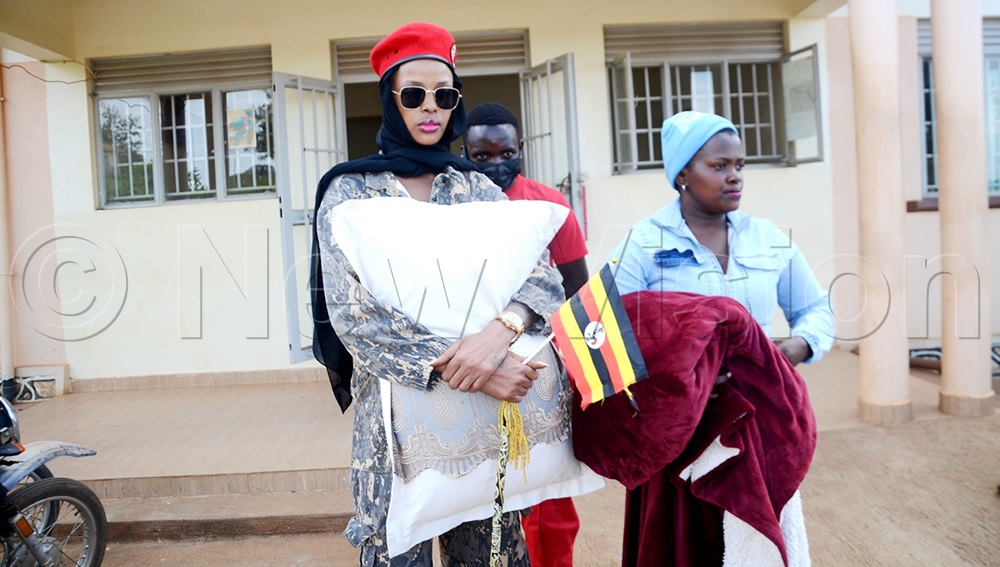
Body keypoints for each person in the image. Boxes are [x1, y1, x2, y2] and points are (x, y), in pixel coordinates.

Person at [310, 22, 569, 566]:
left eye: (444, 96)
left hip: (482, 424)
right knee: (394, 553)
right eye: (414, 95)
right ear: (390, 100)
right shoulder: (351, 191)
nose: (431, 108)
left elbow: (543, 277)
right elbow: (357, 319)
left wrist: (501, 333)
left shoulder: (474, 187)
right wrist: (473, 367)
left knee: (491, 556)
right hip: (396, 426)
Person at [604, 110, 834, 565]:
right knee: (686, 544)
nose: (735, 177)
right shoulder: (645, 243)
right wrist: (670, 377)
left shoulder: (766, 239)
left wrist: (796, 346)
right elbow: (606, 329)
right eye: (719, 166)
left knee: (756, 542)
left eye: (739, 166)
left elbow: (816, 309)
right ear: (683, 174)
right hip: (682, 434)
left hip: (758, 423)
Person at [462, 102, 587, 567]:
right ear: (464, 152)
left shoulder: (550, 206)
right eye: (482, 156)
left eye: (506, 153)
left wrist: (589, 374)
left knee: (549, 498)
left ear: (522, 150)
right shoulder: (451, 207)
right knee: (481, 493)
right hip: (472, 366)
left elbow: (579, 291)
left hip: (542, 368)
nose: (496, 165)